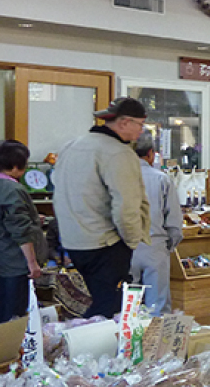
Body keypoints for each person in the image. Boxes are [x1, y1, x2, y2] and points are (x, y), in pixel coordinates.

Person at [52, 97, 150, 318]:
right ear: (124, 122)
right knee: (110, 309)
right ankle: (85, 348)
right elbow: (126, 206)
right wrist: (132, 240)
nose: (141, 130)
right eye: (140, 124)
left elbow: (59, 195)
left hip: (74, 241)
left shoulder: (71, 146)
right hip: (106, 243)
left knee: (100, 302)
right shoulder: (118, 152)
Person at [0, 140, 47, 326]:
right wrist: (32, 263)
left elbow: (8, 219)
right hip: (16, 261)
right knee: (13, 315)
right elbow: (20, 231)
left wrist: (33, 218)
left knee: (4, 308)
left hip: (2, 259)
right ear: (17, 166)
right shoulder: (13, 189)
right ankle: (4, 352)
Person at [129, 133, 184, 314]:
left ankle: (128, 339)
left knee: (129, 304)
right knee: (157, 306)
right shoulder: (161, 179)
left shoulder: (117, 178)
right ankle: (155, 341)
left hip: (124, 248)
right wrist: (168, 246)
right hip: (154, 246)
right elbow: (174, 222)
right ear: (151, 154)